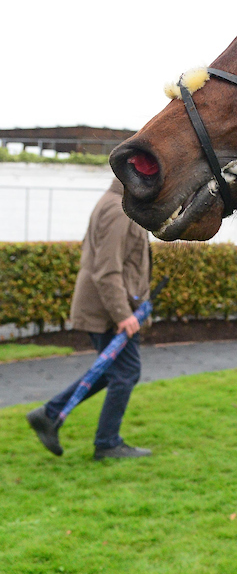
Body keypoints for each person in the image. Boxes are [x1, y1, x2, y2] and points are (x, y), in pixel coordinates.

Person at [25, 178, 152, 460]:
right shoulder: (118, 211)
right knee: (126, 373)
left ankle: (48, 414)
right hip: (109, 312)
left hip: (109, 308)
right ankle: (107, 444)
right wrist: (123, 315)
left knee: (114, 372)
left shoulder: (118, 205)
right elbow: (107, 270)